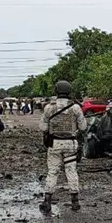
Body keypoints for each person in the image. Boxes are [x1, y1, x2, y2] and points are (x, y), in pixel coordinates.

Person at [39, 80, 86, 214]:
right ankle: (75, 201)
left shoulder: (49, 108)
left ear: (56, 91)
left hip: (54, 144)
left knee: (53, 171)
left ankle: (47, 201)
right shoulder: (75, 108)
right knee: (71, 170)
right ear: (69, 91)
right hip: (70, 143)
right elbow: (83, 127)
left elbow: (43, 127)